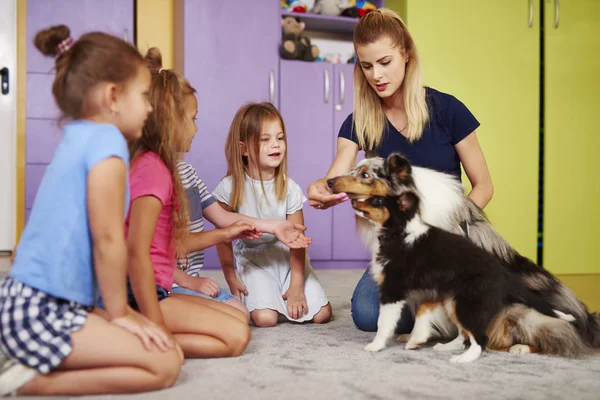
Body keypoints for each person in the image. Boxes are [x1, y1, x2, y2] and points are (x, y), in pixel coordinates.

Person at [0, 26, 180, 396]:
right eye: (144, 95)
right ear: (113, 96)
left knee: (164, 349)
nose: (149, 107)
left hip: (35, 303)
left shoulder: (80, 136)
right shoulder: (107, 145)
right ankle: (29, 382)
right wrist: (119, 314)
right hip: (39, 313)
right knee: (165, 363)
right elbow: (109, 239)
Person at [307, 8, 494, 333]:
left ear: (406, 55)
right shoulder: (360, 122)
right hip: (397, 250)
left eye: (385, 62)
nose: (376, 74)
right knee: (366, 314)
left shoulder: (449, 110)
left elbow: (484, 186)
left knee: (478, 307)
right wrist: (321, 190)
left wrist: (449, 238)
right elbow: (334, 177)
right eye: (367, 65)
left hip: (447, 240)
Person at [214, 102, 332, 328]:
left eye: (280, 138)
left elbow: (298, 241)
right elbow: (222, 236)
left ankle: (284, 293)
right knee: (265, 319)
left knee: (322, 314)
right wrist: (231, 276)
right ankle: (268, 298)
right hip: (254, 261)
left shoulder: (290, 188)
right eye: (265, 140)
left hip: (287, 259)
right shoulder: (229, 188)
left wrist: (297, 284)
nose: (275, 145)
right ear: (244, 149)